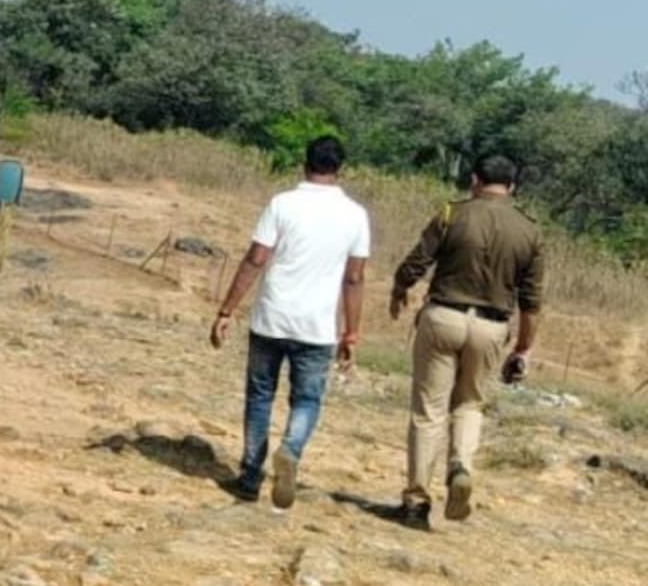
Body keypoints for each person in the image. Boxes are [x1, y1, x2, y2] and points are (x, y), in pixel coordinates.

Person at [209, 135, 370, 509]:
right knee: (308, 399)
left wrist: (227, 309)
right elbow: (355, 278)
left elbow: (256, 258)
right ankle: (291, 449)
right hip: (316, 327)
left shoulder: (283, 204)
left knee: (260, 395)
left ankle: (250, 475)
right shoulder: (355, 215)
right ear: (340, 170)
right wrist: (351, 332)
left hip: (271, 317)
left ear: (305, 164)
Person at [389, 153, 544, 528]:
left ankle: (416, 500)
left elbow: (418, 260)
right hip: (491, 326)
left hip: (444, 316)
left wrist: (400, 287)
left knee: (429, 410)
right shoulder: (529, 230)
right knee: (470, 404)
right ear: (512, 187)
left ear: (475, 180)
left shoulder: (451, 214)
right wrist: (523, 348)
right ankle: (460, 464)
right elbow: (532, 302)